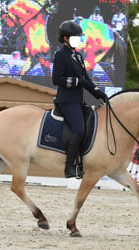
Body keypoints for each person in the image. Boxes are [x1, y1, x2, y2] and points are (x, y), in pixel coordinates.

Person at [52, 20, 108, 178]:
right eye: (74, 37)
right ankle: (69, 166)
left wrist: (98, 93)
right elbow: (57, 79)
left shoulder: (78, 56)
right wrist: (77, 82)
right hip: (66, 100)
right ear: (65, 38)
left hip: (78, 100)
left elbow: (86, 80)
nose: (78, 39)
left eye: (78, 37)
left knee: (92, 126)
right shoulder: (60, 55)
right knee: (79, 129)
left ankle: (82, 162)